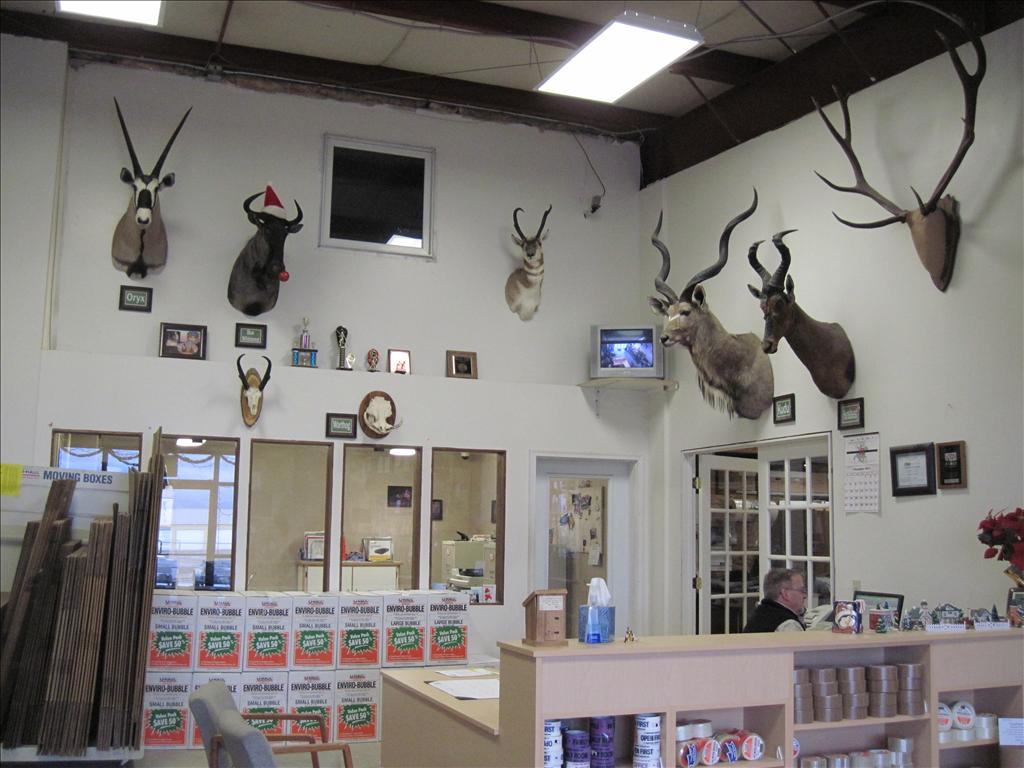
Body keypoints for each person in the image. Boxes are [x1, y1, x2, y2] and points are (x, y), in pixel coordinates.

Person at [743, 568, 807, 633]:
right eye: (802, 590)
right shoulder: (788, 625)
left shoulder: (757, 616)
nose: (805, 596)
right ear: (785, 594)